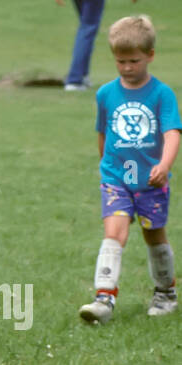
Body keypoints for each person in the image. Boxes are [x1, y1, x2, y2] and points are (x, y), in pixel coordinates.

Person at [79, 15, 180, 323]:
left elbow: (172, 133)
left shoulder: (162, 94)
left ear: (150, 55)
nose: (126, 67)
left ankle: (165, 294)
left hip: (151, 182)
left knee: (154, 236)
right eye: (120, 61)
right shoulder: (105, 94)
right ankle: (104, 299)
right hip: (116, 180)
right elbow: (103, 134)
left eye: (134, 61)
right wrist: (106, 168)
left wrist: (164, 165)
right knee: (114, 233)